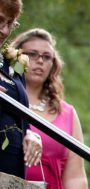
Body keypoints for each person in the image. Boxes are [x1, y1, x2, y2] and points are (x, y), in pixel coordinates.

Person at [13, 28, 90, 189]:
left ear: (54, 64)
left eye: (46, 57)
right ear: (17, 55)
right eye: (32, 54)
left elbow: (75, 175)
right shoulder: (4, 97)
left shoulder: (66, 113)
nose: (39, 61)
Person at [0, 0, 41, 178]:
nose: (5, 31)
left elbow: (19, 114)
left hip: (11, 175)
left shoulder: (12, 63)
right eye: (0, 20)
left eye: (10, 23)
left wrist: (30, 134)